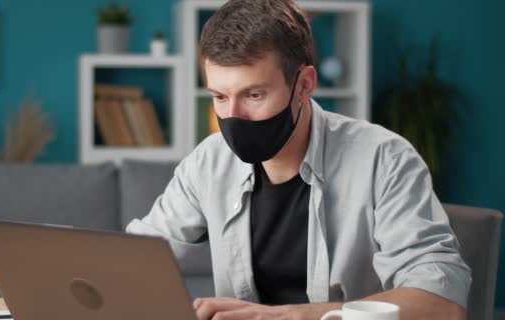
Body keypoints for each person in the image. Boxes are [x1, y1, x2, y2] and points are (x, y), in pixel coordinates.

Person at [127, 0, 471, 319]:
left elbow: (442, 303)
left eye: (254, 94)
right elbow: (135, 258)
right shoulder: (208, 163)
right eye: (219, 96)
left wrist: (287, 317)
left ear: (305, 84)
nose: (232, 116)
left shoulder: (385, 159)